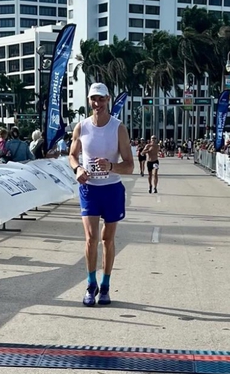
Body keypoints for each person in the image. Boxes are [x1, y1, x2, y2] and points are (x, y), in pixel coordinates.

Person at [69, 82, 134, 307]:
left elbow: (130, 166)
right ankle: (90, 284)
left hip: (112, 189)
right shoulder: (81, 127)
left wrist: (110, 166)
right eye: (93, 99)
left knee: (107, 240)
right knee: (90, 239)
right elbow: (72, 155)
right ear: (89, 101)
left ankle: (105, 285)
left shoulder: (118, 128)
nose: (97, 104)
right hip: (89, 189)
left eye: (102, 99)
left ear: (108, 100)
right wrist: (78, 169)